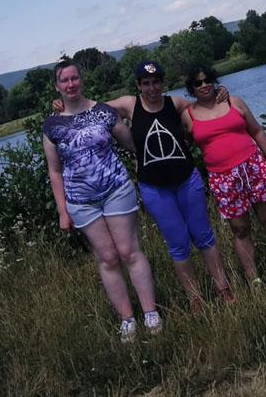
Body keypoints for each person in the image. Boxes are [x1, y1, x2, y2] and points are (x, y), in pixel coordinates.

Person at [55, 60, 235, 311]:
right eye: (146, 83)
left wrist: (220, 92)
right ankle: (195, 298)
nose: (152, 88)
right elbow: (90, 107)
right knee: (178, 245)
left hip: (187, 180)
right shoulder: (129, 105)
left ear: (163, 83)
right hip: (155, 189)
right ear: (138, 85)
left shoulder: (175, 104)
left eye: (156, 82)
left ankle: (223, 289)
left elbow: (205, 105)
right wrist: (64, 104)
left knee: (204, 236)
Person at [42, 58, 160, 342]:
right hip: (81, 201)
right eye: (64, 80)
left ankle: (151, 313)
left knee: (129, 252)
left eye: (74, 78)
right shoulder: (51, 126)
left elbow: (131, 142)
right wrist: (62, 211)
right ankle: (127, 319)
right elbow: (54, 170)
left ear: (81, 79)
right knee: (107, 259)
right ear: (57, 86)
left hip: (116, 189)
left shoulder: (104, 111)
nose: (71, 84)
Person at [180, 65, 266, 286]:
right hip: (222, 178)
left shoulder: (234, 102)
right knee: (240, 229)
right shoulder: (188, 115)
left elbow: (257, 131)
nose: (204, 85)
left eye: (207, 80)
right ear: (191, 88)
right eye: (198, 83)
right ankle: (255, 280)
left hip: (253, 167)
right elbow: (182, 141)